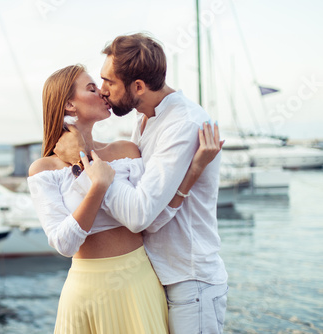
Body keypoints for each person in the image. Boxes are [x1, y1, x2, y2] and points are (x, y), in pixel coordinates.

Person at [54, 33, 228, 334]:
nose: (103, 90)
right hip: (158, 276)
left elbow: (138, 216)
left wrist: (87, 160)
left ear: (138, 87)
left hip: (189, 279)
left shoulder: (182, 125)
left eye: (109, 82)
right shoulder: (145, 120)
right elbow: (146, 212)